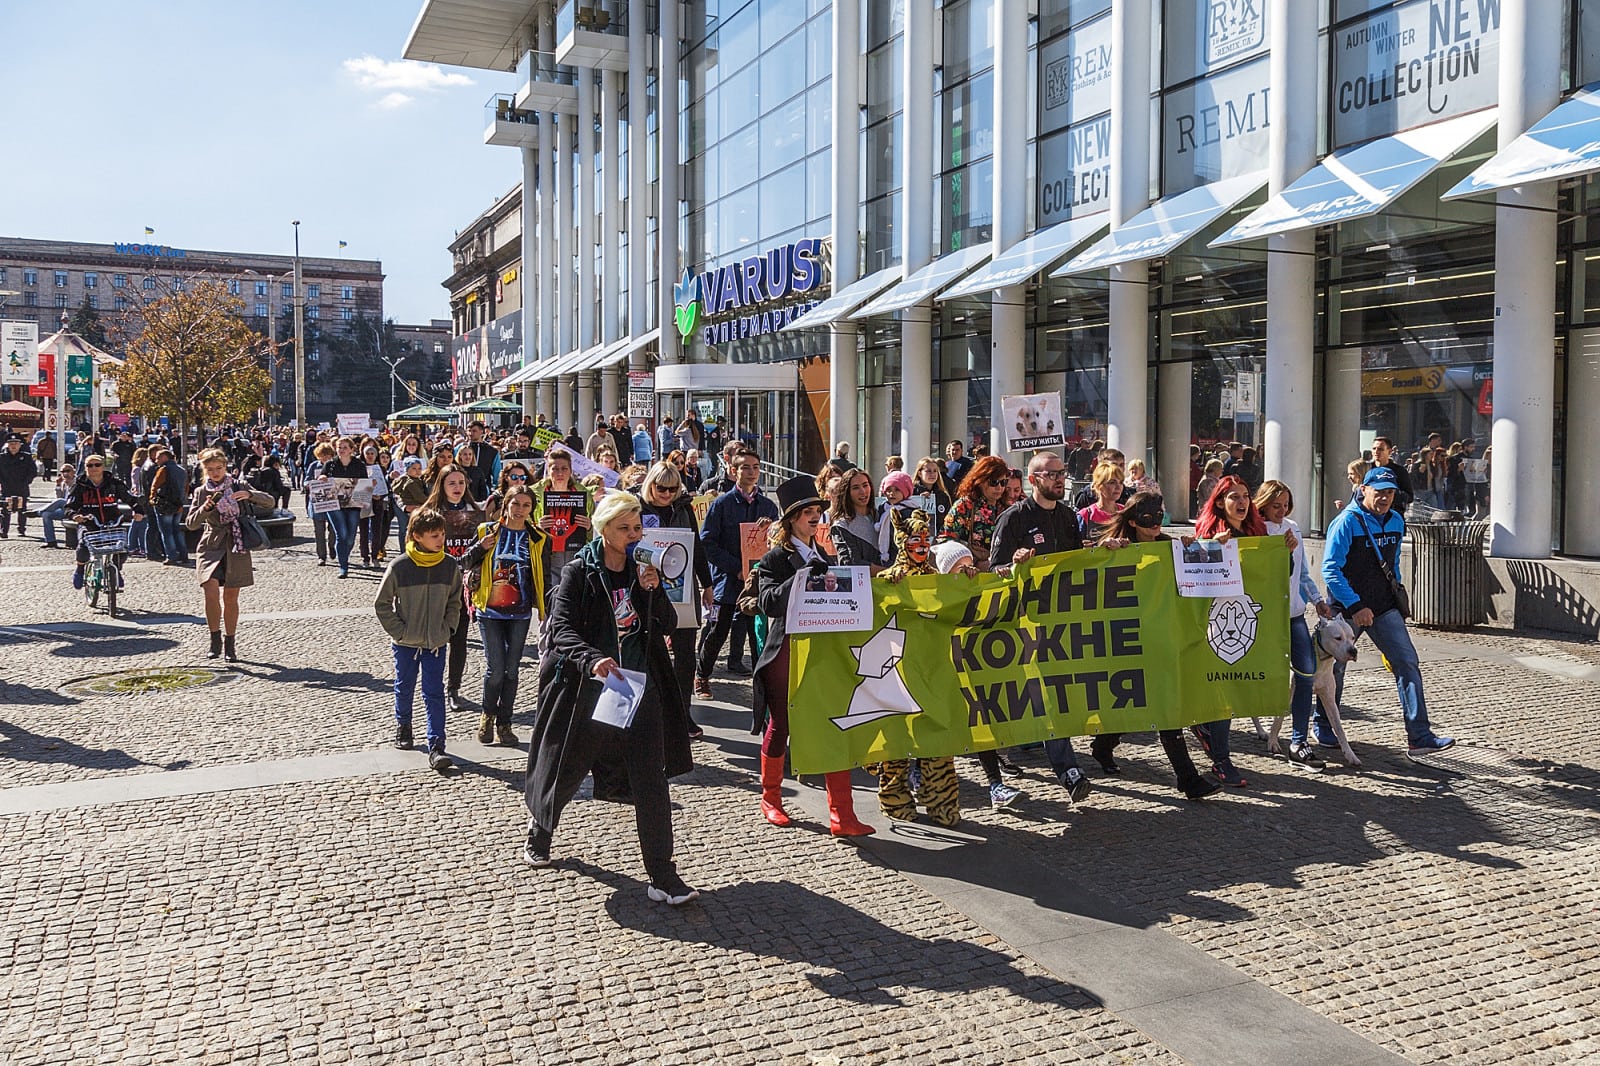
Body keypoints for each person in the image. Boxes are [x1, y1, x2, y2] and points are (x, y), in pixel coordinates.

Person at [521, 491, 700, 905]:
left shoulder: (643, 569)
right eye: (625, 528)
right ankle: (542, 828)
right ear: (604, 529)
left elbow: (669, 624)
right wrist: (592, 659)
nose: (634, 535)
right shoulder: (579, 572)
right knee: (566, 768)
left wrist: (652, 592)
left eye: (638, 527)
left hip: (639, 688)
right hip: (588, 691)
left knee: (651, 782)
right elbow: (561, 629)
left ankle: (662, 875)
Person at [750, 475, 875, 837]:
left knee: (834, 726)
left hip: (823, 652)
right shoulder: (775, 558)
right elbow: (768, 602)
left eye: (817, 511)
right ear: (790, 519)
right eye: (807, 512)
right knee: (782, 725)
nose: (815, 517)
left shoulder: (824, 554)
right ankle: (771, 799)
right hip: (786, 651)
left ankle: (842, 814)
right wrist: (801, 578)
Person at [1091, 493, 1223, 800]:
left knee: (1163, 704)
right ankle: (1105, 745)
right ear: (1134, 522)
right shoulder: (1119, 549)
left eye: (1160, 516)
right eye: (1149, 519)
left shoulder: (1171, 546)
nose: (1156, 524)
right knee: (1132, 699)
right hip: (1127, 636)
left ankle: (1186, 778)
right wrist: (1106, 551)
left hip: (1161, 637)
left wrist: (1200, 549)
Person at [1321, 467, 1455, 759]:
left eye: (1390, 492)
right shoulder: (1346, 522)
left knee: (1407, 662)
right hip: (1347, 610)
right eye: (1379, 491)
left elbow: (1391, 563)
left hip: (1383, 608)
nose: (1384, 497)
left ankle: (1419, 736)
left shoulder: (1395, 520)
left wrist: (1396, 598)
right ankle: (1324, 726)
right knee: (1334, 669)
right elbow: (1330, 570)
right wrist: (1355, 606)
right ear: (1364, 490)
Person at [988, 451, 1094, 803]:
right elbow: (994, 571)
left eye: (1062, 473)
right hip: (1023, 623)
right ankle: (1013, 763)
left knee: (1057, 695)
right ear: (1033, 481)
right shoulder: (1013, 519)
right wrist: (1012, 563)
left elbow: (1076, 562)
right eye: (1051, 474)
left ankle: (1067, 768)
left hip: (1060, 621)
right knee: (1029, 697)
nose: (1060, 479)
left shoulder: (1067, 517)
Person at [1190, 475, 1268, 786]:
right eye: (1233, 496)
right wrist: (1211, 548)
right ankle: (1221, 761)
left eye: (1245, 495)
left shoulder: (1258, 533)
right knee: (1223, 692)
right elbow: (1194, 575)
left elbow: (1275, 575)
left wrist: (1283, 553)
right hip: (1217, 627)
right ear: (1220, 502)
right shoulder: (1208, 533)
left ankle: (1204, 729)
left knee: (1230, 691)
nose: (1241, 502)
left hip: (1247, 624)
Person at [374, 507, 462, 772]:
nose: (440, 539)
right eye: (434, 535)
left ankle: (437, 744)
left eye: (442, 534)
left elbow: (455, 601)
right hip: (405, 643)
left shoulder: (449, 565)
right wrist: (400, 632)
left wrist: (448, 629)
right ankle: (404, 725)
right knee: (404, 685)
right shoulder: (399, 566)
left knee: (434, 692)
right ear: (417, 536)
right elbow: (382, 604)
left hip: (436, 641)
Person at [1253, 480, 1331, 771]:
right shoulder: (1255, 530)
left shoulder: (1293, 527)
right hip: (1264, 616)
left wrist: (1317, 600)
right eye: (1276, 505)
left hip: (1295, 614)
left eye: (1286, 505)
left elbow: (1301, 574)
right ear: (1263, 504)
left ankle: (1299, 741)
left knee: (1306, 675)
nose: (1282, 510)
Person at [635, 460, 716, 739]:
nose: (667, 494)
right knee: (649, 652)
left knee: (685, 658)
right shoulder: (636, 507)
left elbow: (697, 546)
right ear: (650, 485)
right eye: (661, 488)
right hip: (645, 590)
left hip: (683, 590)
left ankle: (682, 714)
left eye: (672, 489)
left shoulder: (683, 507)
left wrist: (707, 584)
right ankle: (651, 713)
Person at [463, 484, 546, 747]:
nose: (520, 510)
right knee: (496, 669)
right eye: (515, 504)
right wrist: (480, 548)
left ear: (531, 509)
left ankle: (505, 722)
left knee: (512, 671)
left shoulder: (537, 537)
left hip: (520, 612)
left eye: (526, 505)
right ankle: (487, 715)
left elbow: (541, 573)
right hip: (490, 610)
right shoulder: (486, 531)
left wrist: (542, 606)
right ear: (505, 505)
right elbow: (464, 562)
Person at [695, 449, 777, 697]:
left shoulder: (768, 507)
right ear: (734, 471)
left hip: (757, 584)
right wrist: (735, 568)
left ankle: (762, 683)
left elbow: (777, 543)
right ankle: (702, 676)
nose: (751, 472)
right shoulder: (722, 504)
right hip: (726, 582)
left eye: (755, 467)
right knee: (716, 630)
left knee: (758, 633)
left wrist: (771, 529)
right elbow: (707, 543)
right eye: (745, 467)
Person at [186, 447, 274, 663]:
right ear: (204, 470)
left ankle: (230, 643)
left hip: (236, 544)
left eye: (219, 468)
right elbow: (190, 523)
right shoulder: (201, 492)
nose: (215, 473)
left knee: (231, 598)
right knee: (210, 591)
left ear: (226, 467)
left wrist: (251, 495)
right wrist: (206, 508)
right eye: (210, 469)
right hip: (211, 544)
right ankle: (214, 638)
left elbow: (270, 502)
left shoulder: (238, 485)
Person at [421, 465, 483, 711]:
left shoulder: (475, 512)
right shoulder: (430, 513)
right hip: (435, 584)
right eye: (452, 483)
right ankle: (433, 686)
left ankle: (453, 688)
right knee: (435, 639)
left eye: (461, 483)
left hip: (463, 586)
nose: (457, 488)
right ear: (442, 486)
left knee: (459, 640)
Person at [66, 453, 144, 592]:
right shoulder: (79, 485)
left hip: (112, 522)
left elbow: (130, 499)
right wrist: (75, 515)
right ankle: (80, 568)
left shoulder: (114, 483)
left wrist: (138, 511)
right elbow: (69, 506)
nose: (94, 468)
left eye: (97, 465)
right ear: (85, 468)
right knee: (83, 547)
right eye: (90, 465)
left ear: (103, 467)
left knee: (122, 548)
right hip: (89, 523)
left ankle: (115, 570)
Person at [530, 447, 594, 606]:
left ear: (571, 471)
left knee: (572, 596)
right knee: (550, 597)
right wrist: (537, 527)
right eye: (555, 468)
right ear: (548, 469)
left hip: (575, 551)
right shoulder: (534, 493)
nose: (560, 472)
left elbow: (596, 527)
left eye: (564, 468)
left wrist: (589, 526)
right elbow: (524, 525)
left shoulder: (584, 494)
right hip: (547, 552)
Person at [944, 455, 1011, 571]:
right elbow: (947, 540)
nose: (999, 487)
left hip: (1003, 571)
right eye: (994, 482)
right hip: (971, 575)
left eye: (1003, 482)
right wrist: (975, 562)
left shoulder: (1007, 507)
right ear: (980, 481)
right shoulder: (964, 505)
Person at [317, 437, 367, 578]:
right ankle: (343, 566)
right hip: (334, 504)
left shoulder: (359, 465)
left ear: (352, 449)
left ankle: (344, 554)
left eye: (345, 447)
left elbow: (364, 483)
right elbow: (322, 477)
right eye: (339, 447)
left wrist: (369, 484)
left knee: (350, 537)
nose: (342, 450)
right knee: (342, 534)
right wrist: (322, 478)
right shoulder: (330, 464)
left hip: (353, 504)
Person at [826, 467, 883, 569]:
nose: (863, 491)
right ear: (847, 492)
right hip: (860, 582)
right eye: (855, 488)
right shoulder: (842, 525)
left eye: (865, 485)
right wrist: (886, 571)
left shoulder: (881, 517)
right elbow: (851, 563)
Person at [144, 445, 191, 566]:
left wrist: (152, 500)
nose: (156, 460)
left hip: (165, 505)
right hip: (178, 505)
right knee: (176, 530)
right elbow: (186, 488)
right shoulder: (182, 470)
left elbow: (155, 486)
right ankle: (183, 554)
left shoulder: (163, 469)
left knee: (166, 532)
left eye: (158, 458)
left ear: (165, 457)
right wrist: (182, 501)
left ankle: (172, 556)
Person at [358, 442, 392, 567]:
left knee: (377, 530)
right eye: (368, 453)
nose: (370, 456)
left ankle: (375, 556)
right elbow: (357, 485)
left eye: (372, 453)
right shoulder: (360, 467)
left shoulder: (381, 468)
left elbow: (385, 486)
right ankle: (365, 557)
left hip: (378, 502)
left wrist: (380, 495)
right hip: (364, 501)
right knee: (364, 530)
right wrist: (369, 494)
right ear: (363, 454)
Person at [1077, 461, 1127, 542]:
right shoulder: (1086, 515)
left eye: (1121, 482)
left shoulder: (1126, 512)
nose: (1118, 487)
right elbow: (1076, 547)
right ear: (1098, 486)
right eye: (1112, 482)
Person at [0, 434, 37, 540]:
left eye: (15, 444)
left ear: (20, 445)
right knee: (5, 509)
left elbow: (32, 471)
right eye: (11, 444)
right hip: (7, 486)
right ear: (7, 445)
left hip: (22, 486)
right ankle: (4, 530)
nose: (13, 446)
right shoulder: (2, 457)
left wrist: (27, 481)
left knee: (22, 509)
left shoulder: (26, 456)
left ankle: (21, 529)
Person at [389, 455, 430, 548]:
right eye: (414, 468)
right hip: (412, 506)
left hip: (409, 507)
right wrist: (429, 500)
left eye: (419, 468)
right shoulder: (411, 482)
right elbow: (419, 497)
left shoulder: (406, 479)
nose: (418, 471)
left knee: (405, 530)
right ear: (407, 469)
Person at [1369, 437, 1414, 514]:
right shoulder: (1367, 469)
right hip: (1370, 515)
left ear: (1389, 452)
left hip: (1392, 515)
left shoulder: (1399, 471)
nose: (1376, 452)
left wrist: (1390, 494)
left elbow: (1409, 497)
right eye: (1374, 448)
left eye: (1380, 449)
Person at [909, 456, 953, 529]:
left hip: (939, 537)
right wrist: (919, 500)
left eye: (935, 471)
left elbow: (948, 519)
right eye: (928, 471)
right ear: (920, 473)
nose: (932, 474)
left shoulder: (943, 495)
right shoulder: (911, 492)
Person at [35, 467, 74, 550]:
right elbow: (59, 497)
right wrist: (58, 486)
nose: (65, 473)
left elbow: (64, 500)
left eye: (67, 471)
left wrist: (70, 484)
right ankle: (51, 541)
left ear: (73, 472)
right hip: (65, 509)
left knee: (60, 501)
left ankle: (38, 512)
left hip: (75, 509)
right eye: (63, 472)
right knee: (46, 514)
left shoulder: (77, 482)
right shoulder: (64, 483)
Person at [462, 421, 500, 501]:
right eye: (469, 431)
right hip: (462, 488)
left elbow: (497, 473)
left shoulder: (491, 451)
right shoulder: (459, 449)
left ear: (481, 431)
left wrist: (494, 489)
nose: (470, 433)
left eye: (474, 431)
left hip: (483, 491)